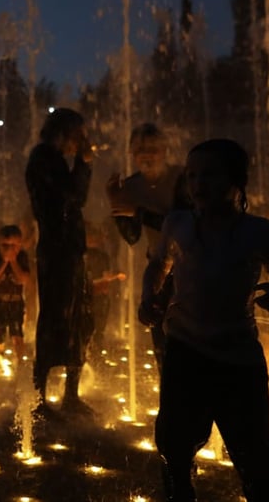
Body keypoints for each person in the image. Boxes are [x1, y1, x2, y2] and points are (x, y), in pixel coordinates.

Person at [142, 139, 269, 502]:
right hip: (185, 351)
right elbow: (158, 265)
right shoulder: (178, 223)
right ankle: (180, 492)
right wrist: (148, 298)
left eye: (210, 175)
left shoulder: (256, 231)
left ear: (236, 181)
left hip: (238, 358)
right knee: (173, 444)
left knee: (253, 455)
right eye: (192, 175)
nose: (198, 184)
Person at [26, 107, 94, 417]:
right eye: (78, 134)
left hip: (68, 250)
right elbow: (75, 198)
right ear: (64, 132)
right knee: (56, 317)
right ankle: (39, 397)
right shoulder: (44, 159)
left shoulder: (50, 160)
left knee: (78, 317)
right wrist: (84, 163)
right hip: (57, 252)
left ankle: (69, 395)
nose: (82, 141)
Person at [107, 122, 186, 367]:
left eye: (152, 147)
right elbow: (131, 237)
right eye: (140, 148)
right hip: (157, 269)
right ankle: (170, 399)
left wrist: (138, 212)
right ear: (131, 152)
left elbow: (183, 226)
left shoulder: (181, 179)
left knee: (189, 341)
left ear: (164, 150)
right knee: (161, 341)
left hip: (191, 269)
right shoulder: (131, 186)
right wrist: (116, 203)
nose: (146, 154)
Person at [0, 224, 31, 360]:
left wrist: (13, 261)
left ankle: (20, 364)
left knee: (17, 334)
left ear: (19, 245)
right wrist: (5, 261)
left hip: (15, 303)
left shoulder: (22, 257)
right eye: (5, 245)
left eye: (14, 246)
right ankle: (1, 356)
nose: (10, 249)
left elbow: (24, 279)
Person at [85, 225, 126, 352]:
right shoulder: (93, 255)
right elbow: (105, 278)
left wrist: (112, 277)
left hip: (94, 298)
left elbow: (105, 277)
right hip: (96, 298)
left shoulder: (97, 256)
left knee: (94, 331)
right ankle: (94, 356)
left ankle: (91, 357)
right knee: (96, 331)